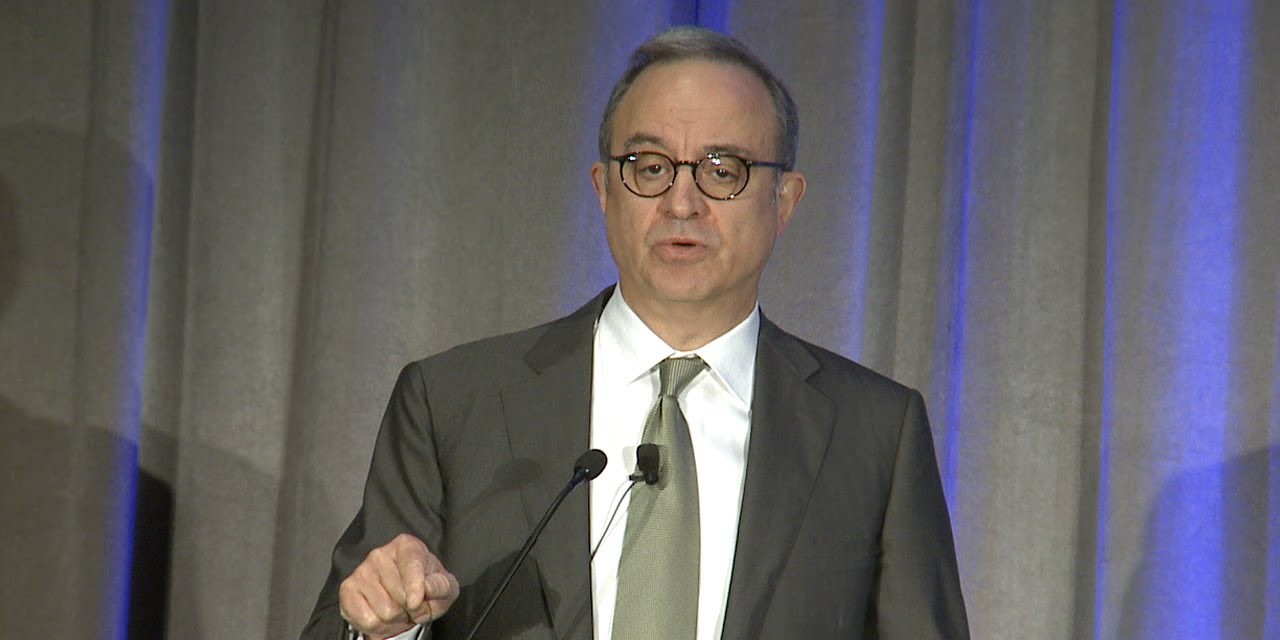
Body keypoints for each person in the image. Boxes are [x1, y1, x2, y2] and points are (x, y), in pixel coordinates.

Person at [301, 26, 968, 640]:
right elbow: (346, 623)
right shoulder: (452, 404)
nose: (682, 203)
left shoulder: (873, 435)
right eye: (650, 167)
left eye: (723, 171)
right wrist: (384, 629)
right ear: (604, 189)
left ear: (784, 201)